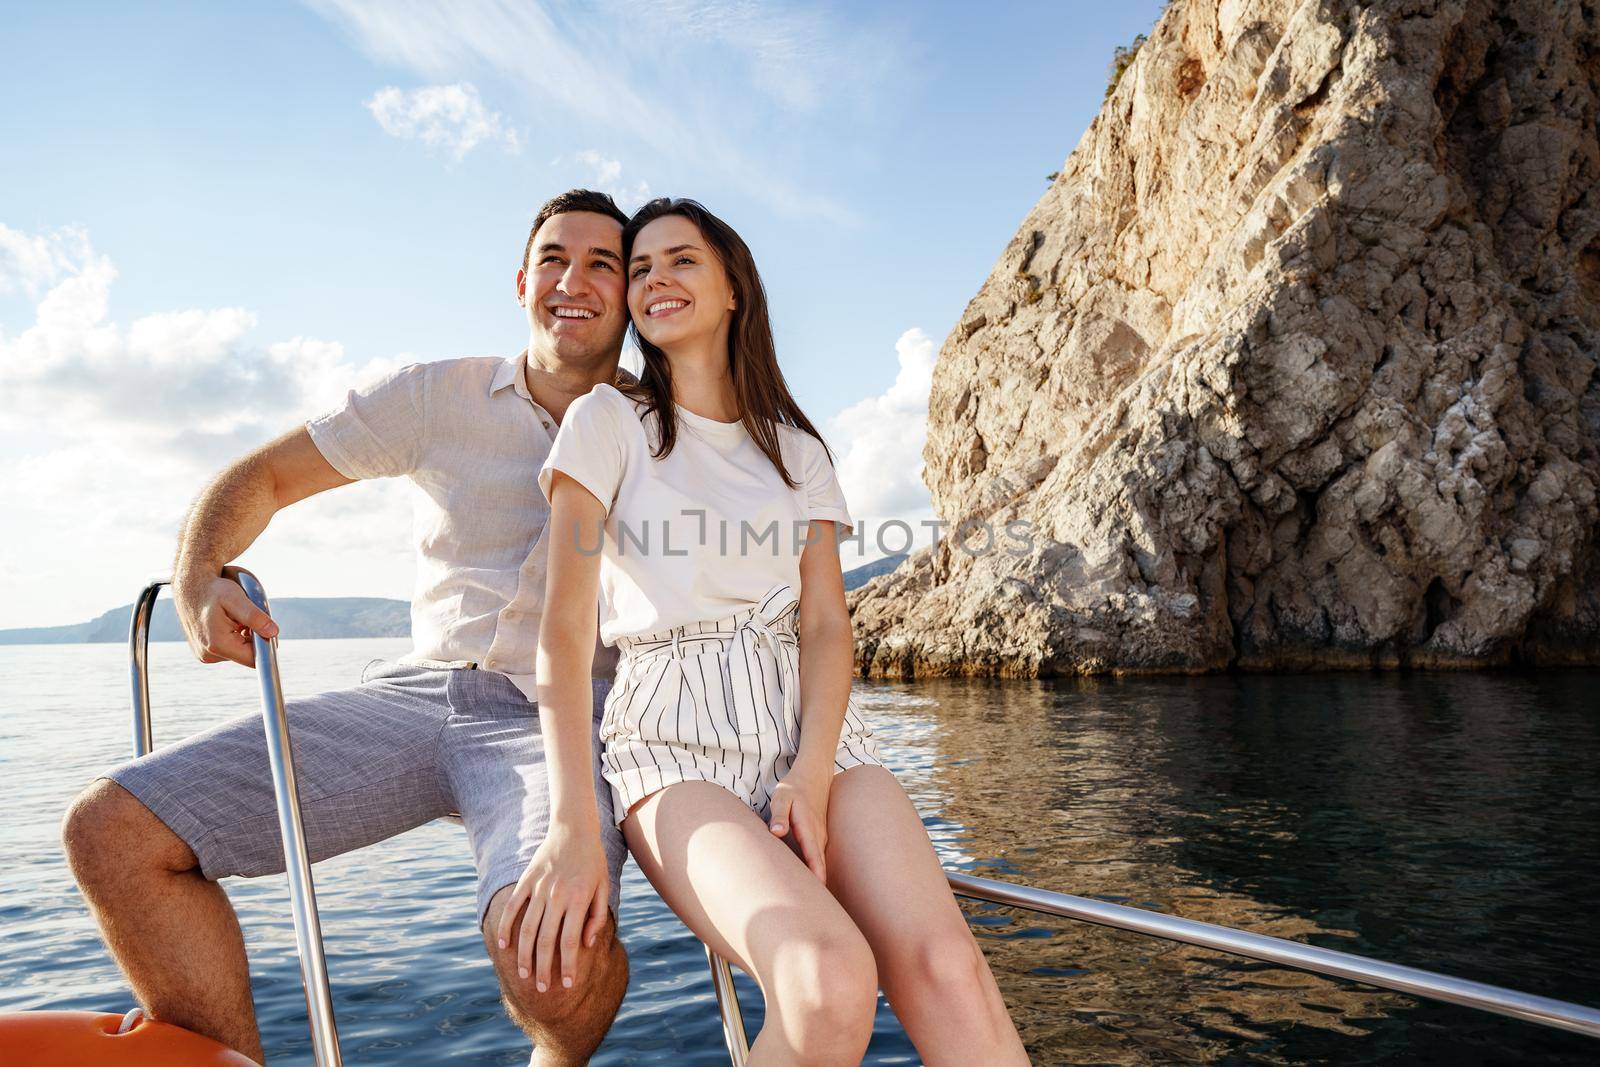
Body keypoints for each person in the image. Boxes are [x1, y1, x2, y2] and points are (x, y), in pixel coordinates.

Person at [59, 189, 637, 1066]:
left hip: (557, 722)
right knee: (111, 833)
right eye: (555, 258)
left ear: (632, 296)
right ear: (522, 281)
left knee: (556, 958)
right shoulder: (435, 396)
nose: (574, 280)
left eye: (603, 264)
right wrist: (196, 573)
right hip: (416, 696)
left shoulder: (673, 428)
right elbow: (264, 477)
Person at [498, 197, 1030, 1065]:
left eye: (682, 261)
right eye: (640, 269)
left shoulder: (798, 450)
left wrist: (811, 774)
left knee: (948, 965)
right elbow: (561, 639)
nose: (654, 280)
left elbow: (825, 627)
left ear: (734, 286)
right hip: (672, 741)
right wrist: (571, 825)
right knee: (825, 974)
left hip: (816, 733)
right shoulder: (605, 424)